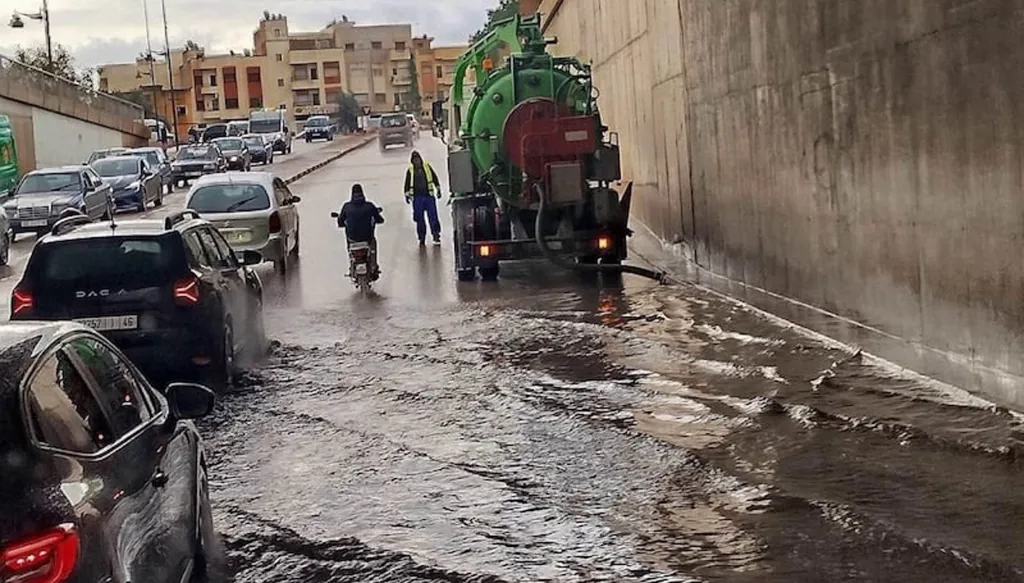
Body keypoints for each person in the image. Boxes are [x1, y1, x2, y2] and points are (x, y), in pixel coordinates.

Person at [336, 183, 384, 279]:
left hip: (352, 238)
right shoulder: (369, 206)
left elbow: (340, 221)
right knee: (373, 244)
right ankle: (373, 266)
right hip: (367, 237)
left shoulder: (347, 206)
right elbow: (380, 219)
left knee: (349, 247)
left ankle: (352, 265)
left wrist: (342, 223)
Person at [403, 150, 442, 246]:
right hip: (417, 198)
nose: (417, 161)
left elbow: (434, 178)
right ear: (412, 161)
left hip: (428, 196)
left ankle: (436, 235)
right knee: (419, 219)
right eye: (415, 160)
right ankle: (422, 237)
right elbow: (407, 184)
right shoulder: (410, 171)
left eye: (418, 159)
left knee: (433, 217)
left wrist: (438, 189)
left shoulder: (427, 167)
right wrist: (407, 195)